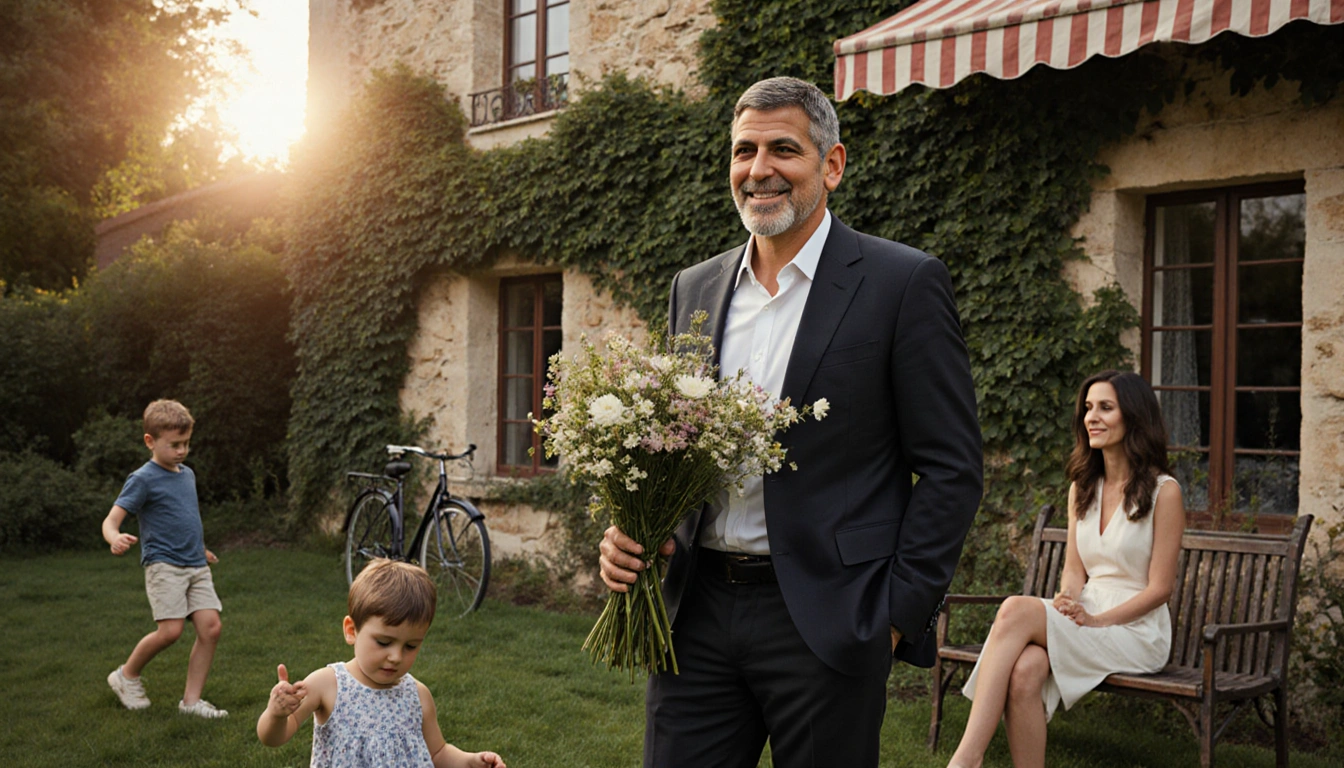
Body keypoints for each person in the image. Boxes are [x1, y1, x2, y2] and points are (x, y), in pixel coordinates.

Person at [599, 76, 984, 766]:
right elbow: (676, 444)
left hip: (833, 618)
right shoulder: (696, 287)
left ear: (831, 165)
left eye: (784, 149)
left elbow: (953, 467)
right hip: (697, 616)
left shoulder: (902, 282)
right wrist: (636, 525)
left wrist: (893, 620)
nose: (759, 170)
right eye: (744, 151)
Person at [948, 370, 1186, 768]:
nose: (1091, 417)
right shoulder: (1082, 487)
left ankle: (967, 759)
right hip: (1089, 613)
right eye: (1088, 408)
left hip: (1137, 629)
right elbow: (1074, 571)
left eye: (1105, 408)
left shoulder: (1165, 492)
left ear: (1134, 417)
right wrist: (1069, 602)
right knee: (1026, 669)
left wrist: (1096, 620)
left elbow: (1160, 589)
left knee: (1014, 609)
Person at [257, 559, 507, 768]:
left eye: (411, 646)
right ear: (351, 630)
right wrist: (276, 715)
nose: (396, 656)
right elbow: (274, 738)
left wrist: (470, 761)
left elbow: (438, 753)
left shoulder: (417, 695)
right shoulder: (327, 685)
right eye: (384, 642)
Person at [103, 398, 228, 718]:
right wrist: (115, 537)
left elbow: (184, 517)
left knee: (211, 627)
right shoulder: (142, 478)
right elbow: (111, 519)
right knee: (171, 631)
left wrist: (199, 547)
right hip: (164, 565)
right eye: (174, 444)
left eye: (186, 443)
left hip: (195, 564)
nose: (182, 451)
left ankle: (191, 702)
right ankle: (126, 675)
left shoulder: (187, 475)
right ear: (150, 441)